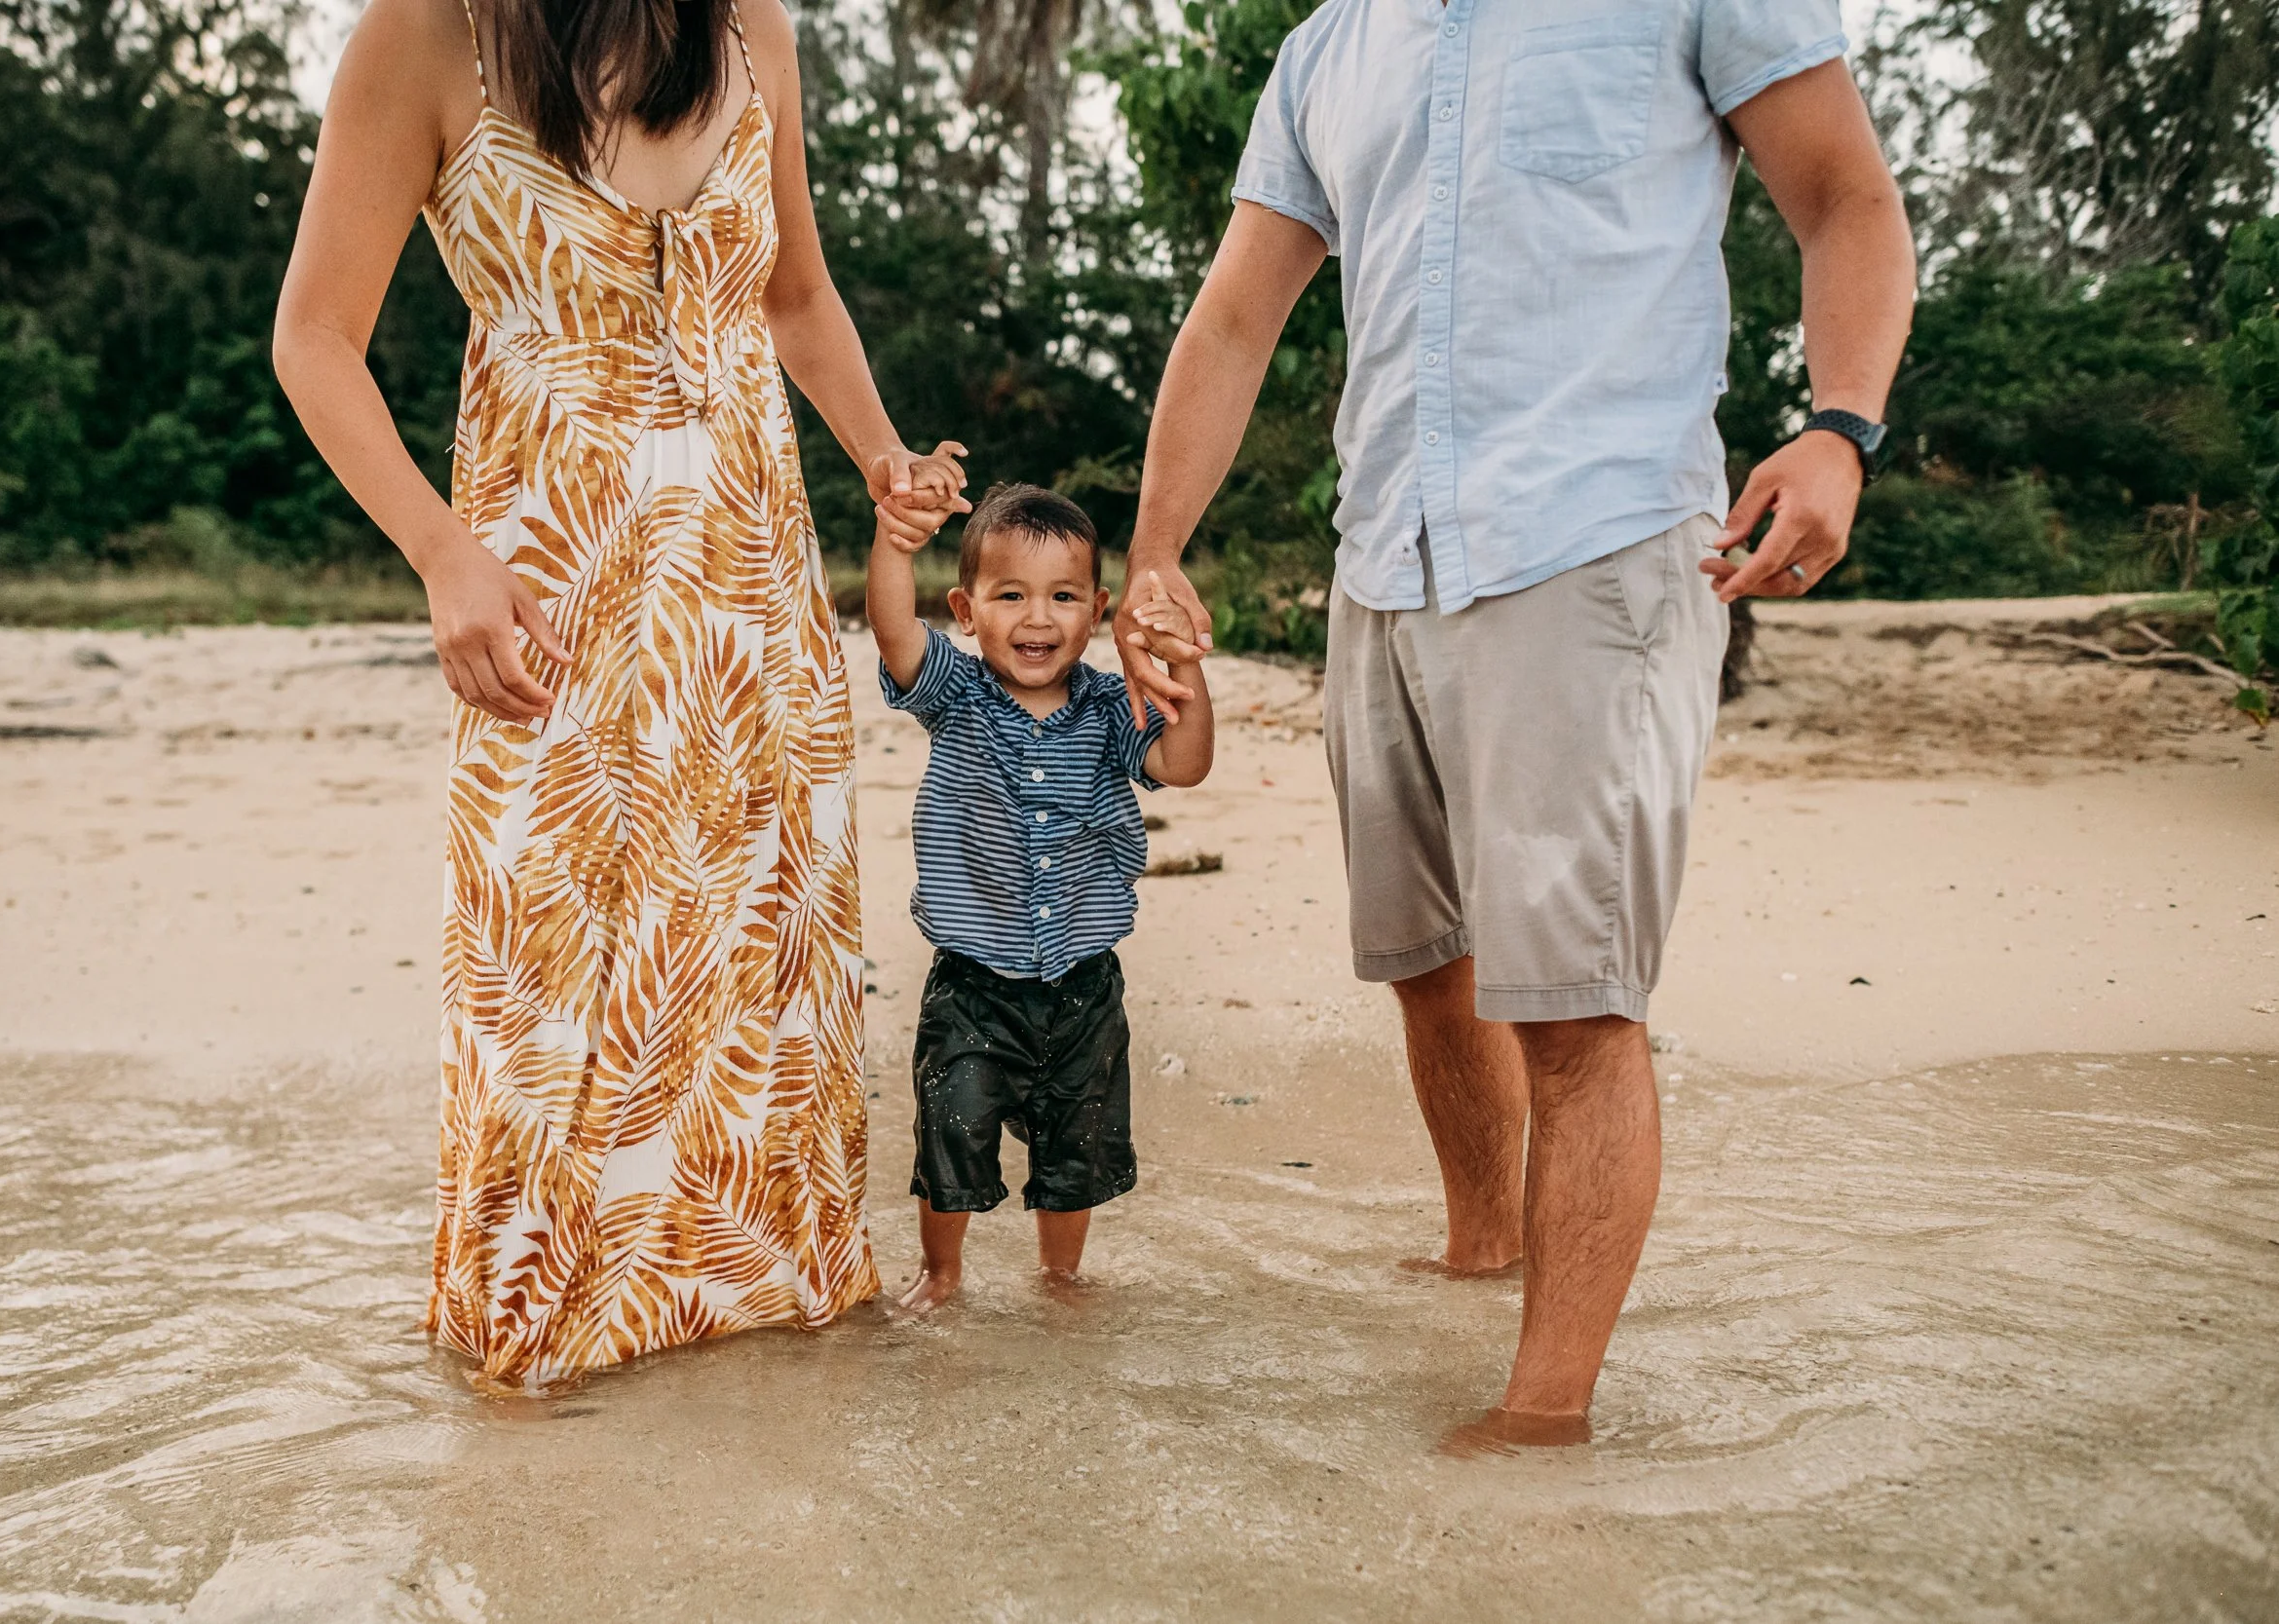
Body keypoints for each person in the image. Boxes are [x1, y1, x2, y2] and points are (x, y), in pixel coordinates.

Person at [1114, 1, 1916, 1444]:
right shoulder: (1328, 47)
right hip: (1385, 559)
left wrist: (1841, 426)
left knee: (1577, 1008)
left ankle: (1546, 1413)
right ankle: (1484, 1244)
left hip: (1595, 541)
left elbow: (1845, 194)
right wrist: (1156, 546)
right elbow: (1238, 312)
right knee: (1427, 964)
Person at [271, 0, 965, 1385]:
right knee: (555, 979)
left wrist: (885, 456)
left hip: (752, 592)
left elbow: (792, 295)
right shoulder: (426, 38)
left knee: (756, 963)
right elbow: (313, 338)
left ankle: (761, 1342)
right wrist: (441, 553)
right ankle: (539, 1355)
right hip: (546, 598)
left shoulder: (751, 25)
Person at [867, 484, 1214, 1310]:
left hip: (1084, 982)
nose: (1038, 618)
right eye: (1010, 594)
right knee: (952, 1126)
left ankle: (1061, 1276)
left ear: (1097, 611)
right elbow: (893, 629)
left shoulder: (1109, 705)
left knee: (1077, 1145)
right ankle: (941, 1272)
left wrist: (1185, 665)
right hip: (974, 982)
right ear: (966, 607)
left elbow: (1185, 764)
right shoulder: (957, 692)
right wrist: (892, 545)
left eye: (1063, 597)